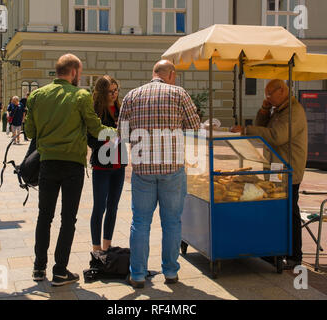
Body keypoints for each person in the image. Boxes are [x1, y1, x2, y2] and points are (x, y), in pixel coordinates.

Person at [24, 53, 115, 287]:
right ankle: (60, 271)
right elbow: (96, 129)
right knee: (67, 219)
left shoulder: (37, 95)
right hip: (72, 166)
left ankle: (38, 268)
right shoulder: (81, 96)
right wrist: (119, 132)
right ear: (74, 72)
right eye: (80, 72)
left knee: (44, 217)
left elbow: (30, 133)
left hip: (47, 163)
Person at [119, 60, 200, 289]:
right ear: (171, 74)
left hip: (143, 169)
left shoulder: (132, 95)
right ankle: (171, 272)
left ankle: (137, 275)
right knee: (172, 221)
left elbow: (122, 134)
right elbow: (195, 127)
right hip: (172, 168)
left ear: (154, 73)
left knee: (140, 222)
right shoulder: (179, 94)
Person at [231, 79, 308, 269]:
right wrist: (264, 110)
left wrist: (246, 130)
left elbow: (277, 136)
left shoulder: (294, 111)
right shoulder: (279, 109)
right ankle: (277, 250)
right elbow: (262, 126)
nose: (268, 98)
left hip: (288, 169)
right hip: (276, 168)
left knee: (289, 211)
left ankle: (294, 255)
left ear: (281, 90)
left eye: (269, 94)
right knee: (277, 209)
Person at [88, 76, 126, 253]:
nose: (114, 94)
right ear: (102, 92)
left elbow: (125, 135)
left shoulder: (120, 109)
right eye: (111, 91)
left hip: (119, 165)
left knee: (113, 207)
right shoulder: (95, 111)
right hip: (102, 166)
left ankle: (107, 247)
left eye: (116, 90)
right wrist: (111, 137)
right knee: (99, 207)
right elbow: (91, 140)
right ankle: (96, 250)